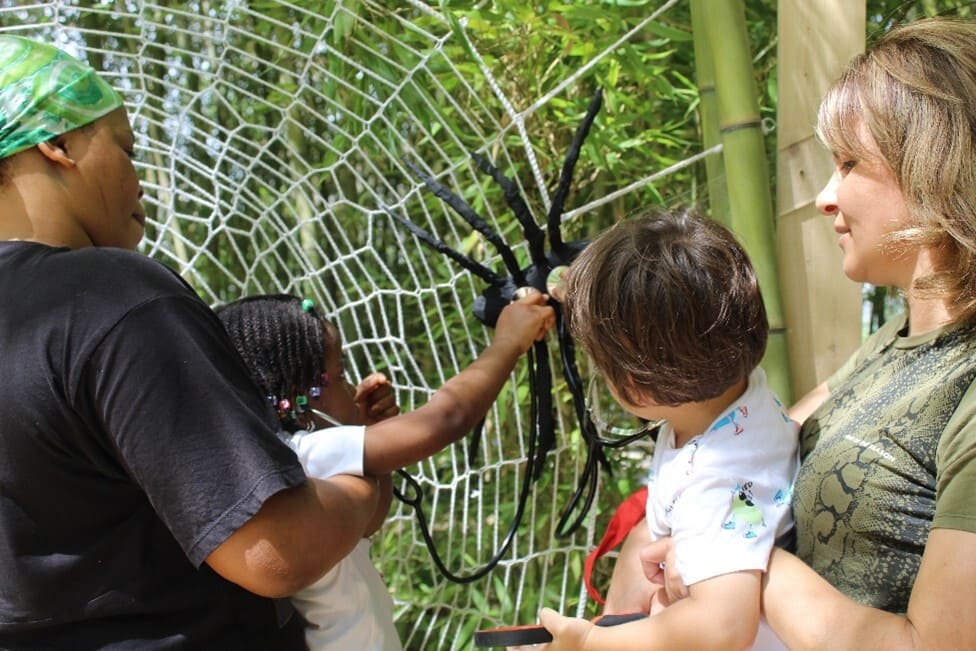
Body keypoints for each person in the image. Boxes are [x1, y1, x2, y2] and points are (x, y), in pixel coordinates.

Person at [0, 34, 555, 649]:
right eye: (125, 148)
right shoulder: (107, 298)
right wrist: (362, 477)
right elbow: (274, 551)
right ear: (57, 144)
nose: (138, 180)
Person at [550, 16, 976, 651]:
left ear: (935, 166)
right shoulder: (894, 343)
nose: (826, 196)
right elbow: (747, 435)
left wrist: (729, 556)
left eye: (851, 162)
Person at [514, 209, 799, 649]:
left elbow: (722, 626)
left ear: (636, 386)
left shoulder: (719, 480)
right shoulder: (732, 399)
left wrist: (591, 643)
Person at [217, 293, 555, 650]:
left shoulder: (277, 463)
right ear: (301, 397)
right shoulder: (304, 453)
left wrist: (366, 432)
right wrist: (508, 341)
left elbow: (367, 521)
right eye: (340, 376)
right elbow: (445, 419)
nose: (351, 388)